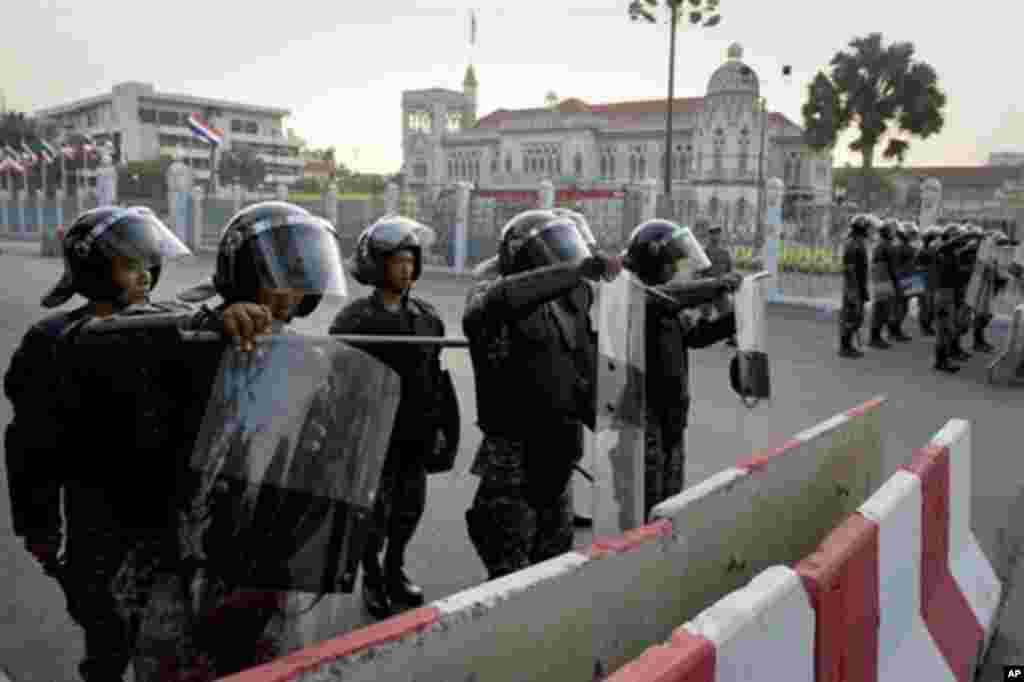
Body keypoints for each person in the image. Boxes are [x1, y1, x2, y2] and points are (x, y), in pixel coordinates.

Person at [54, 202, 346, 680]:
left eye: (301, 278)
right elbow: (87, 343)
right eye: (280, 277)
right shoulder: (188, 338)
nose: (291, 293)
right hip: (181, 560)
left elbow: (317, 456)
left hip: (265, 561)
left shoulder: (306, 359)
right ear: (244, 277)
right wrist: (211, 325)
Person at [4, 205, 272, 682]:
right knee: (107, 640)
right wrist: (39, 530)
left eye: (148, 262)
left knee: (169, 645)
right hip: (96, 521)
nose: (145, 274)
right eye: (130, 264)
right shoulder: (54, 340)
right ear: (93, 271)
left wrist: (232, 317)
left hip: (165, 517)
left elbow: (203, 338)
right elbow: (30, 448)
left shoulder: (168, 324)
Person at [461, 209, 621, 580]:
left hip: (559, 450)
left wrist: (612, 420)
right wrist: (576, 271)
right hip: (512, 459)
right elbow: (501, 299)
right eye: (555, 247)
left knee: (552, 571)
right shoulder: (490, 296)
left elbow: (580, 372)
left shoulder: (568, 305)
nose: (566, 255)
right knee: (509, 576)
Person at [329, 216, 448, 619]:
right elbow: (339, 381)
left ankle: (395, 567)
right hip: (373, 433)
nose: (406, 269)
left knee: (409, 509)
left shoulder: (428, 317)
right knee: (372, 514)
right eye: (398, 261)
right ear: (377, 266)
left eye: (411, 261)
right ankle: (373, 575)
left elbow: (434, 376)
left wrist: (439, 426)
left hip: (414, 432)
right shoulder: (353, 320)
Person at [621, 219, 741, 518]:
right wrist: (718, 284)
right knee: (649, 500)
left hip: (673, 409)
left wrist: (736, 319)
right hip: (646, 414)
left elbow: (696, 336)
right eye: (672, 261)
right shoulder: (638, 296)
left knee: (672, 499)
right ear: (655, 263)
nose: (676, 267)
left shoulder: (669, 304)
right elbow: (670, 296)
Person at [838, 214, 874, 358]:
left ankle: (848, 345)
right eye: (867, 227)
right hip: (853, 286)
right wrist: (853, 290)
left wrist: (863, 289)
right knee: (851, 317)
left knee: (857, 317)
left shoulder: (858, 242)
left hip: (858, 286)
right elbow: (849, 269)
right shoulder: (853, 244)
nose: (870, 230)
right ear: (861, 228)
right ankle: (845, 347)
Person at [697, 224, 738, 347]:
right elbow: (698, 271)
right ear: (709, 235)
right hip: (707, 288)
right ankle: (700, 337)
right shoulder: (703, 252)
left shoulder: (725, 253)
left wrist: (731, 283)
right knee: (705, 314)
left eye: (718, 233)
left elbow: (729, 270)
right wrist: (699, 284)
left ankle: (731, 338)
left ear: (720, 235)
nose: (715, 236)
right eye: (713, 233)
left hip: (721, 288)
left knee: (727, 313)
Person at [868, 218, 901, 349]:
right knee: (881, 309)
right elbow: (891, 266)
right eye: (892, 231)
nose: (894, 233)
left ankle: (876, 336)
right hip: (884, 278)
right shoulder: (885, 245)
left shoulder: (882, 244)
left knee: (882, 308)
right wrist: (895, 281)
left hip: (882, 278)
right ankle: (875, 338)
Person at [887, 222, 918, 341]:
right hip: (903, 279)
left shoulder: (901, 246)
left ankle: (895, 331)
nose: (913, 236)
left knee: (901, 307)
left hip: (905, 278)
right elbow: (898, 266)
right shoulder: (903, 247)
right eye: (912, 234)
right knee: (900, 307)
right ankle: (895, 331)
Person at [915, 225, 943, 337]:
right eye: (937, 237)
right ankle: (925, 327)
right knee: (926, 305)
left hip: (931, 280)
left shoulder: (930, 250)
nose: (939, 239)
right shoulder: (925, 250)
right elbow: (918, 266)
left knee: (929, 305)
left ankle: (927, 326)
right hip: (925, 280)